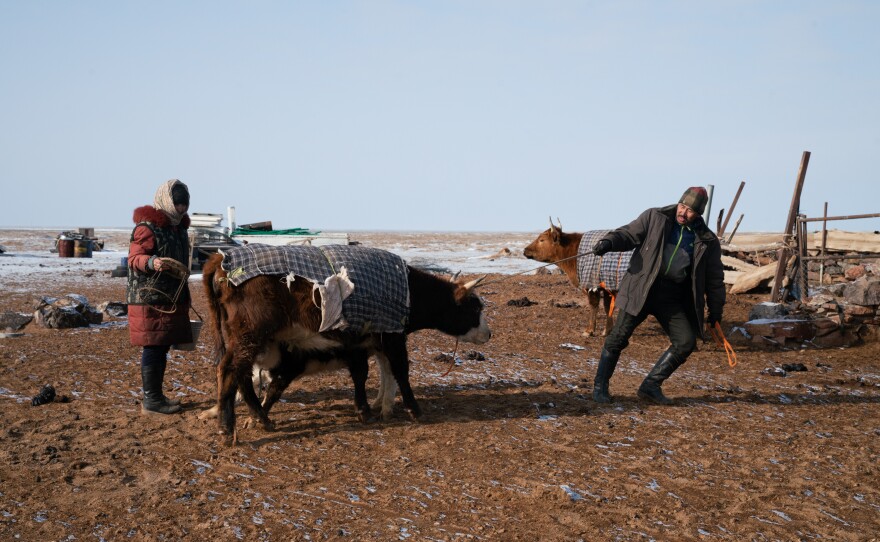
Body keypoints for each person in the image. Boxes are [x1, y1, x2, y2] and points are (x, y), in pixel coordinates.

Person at [590, 186, 726, 405]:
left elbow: (714, 279)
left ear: (698, 214)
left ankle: (650, 386)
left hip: (672, 297)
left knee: (685, 342)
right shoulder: (655, 217)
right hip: (642, 289)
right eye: (682, 206)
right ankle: (600, 387)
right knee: (617, 339)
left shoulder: (707, 240)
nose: (683, 212)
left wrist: (716, 310)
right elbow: (628, 233)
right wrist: (609, 242)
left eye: (690, 210)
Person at [126, 179, 193, 414]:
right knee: (153, 346)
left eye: (184, 205)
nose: (181, 210)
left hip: (169, 296)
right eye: (178, 205)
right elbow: (134, 259)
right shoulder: (147, 228)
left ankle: (156, 396)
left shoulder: (178, 228)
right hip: (149, 297)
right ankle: (152, 401)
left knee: (161, 346)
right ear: (167, 201)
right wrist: (152, 262)